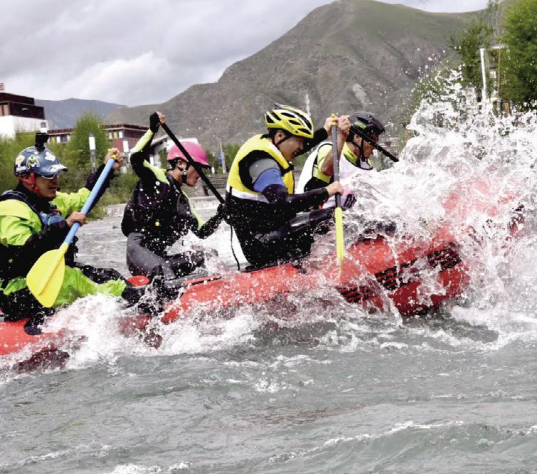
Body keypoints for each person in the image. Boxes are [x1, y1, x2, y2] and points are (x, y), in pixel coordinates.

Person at [0, 137, 140, 330]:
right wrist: (63, 226)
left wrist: (106, 169)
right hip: (20, 290)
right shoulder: (9, 210)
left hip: (52, 277)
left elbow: (85, 198)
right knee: (76, 279)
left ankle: (133, 302)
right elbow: (24, 253)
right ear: (28, 178)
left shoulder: (51, 201)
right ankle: (136, 304)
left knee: (109, 275)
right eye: (48, 176)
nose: (55, 182)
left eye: (56, 175)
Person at [224, 104, 348, 269]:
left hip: (271, 231)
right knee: (331, 216)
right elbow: (283, 202)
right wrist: (327, 191)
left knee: (331, 216)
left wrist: (325, 131)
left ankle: (313, 262)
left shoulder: (272, 145)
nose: (302, 147)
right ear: (280, 135)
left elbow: (296, 146)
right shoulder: (262, 162)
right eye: (300, 141)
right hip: (261, 246)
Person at [122, 112, 225, 280]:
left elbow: (202, 231)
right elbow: (135, 157)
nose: (200, 174)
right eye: (198, 167)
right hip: (139, 252)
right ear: (181, 163)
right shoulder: (157, 178)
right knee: (164, 273)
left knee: (208, 255)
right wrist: (152, 129)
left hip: (161, 259)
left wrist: (220, 215)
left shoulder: (183, 200)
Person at [297, 112, 385, 202]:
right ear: (357, 137)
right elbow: (327, 170)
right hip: (309, 208)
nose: (375, 146)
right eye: (372, 140)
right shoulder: (327, 148)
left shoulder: (365, 164)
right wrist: (342, 136)